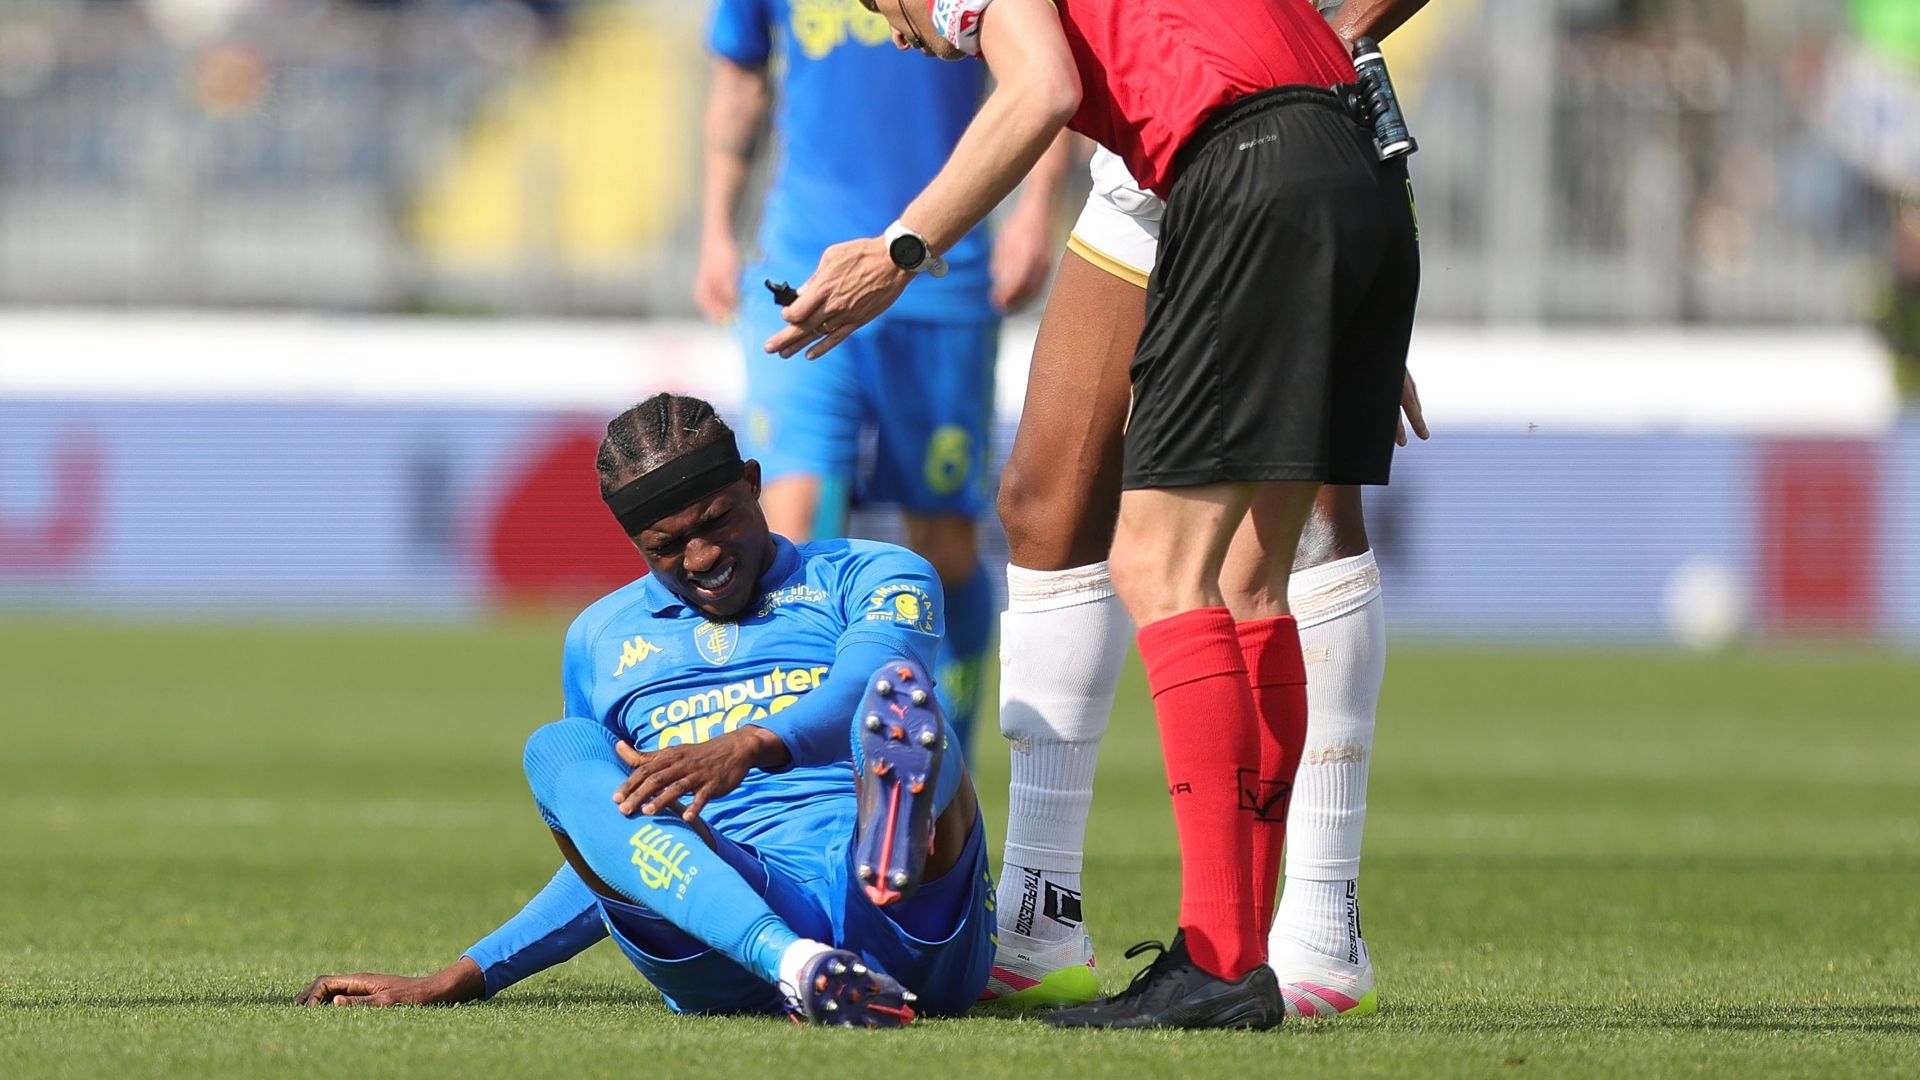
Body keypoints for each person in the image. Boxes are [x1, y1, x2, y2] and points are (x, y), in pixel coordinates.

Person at [765, 0, 1420, 1029]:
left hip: (1243, 155)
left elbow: (1044, 88)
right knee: (1241, 576)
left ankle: (1247, 947)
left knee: (1161, 566)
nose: (898, 33)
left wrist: (897, 248)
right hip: (1343, 145)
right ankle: (1213, 953)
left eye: (879, 6)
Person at [980, 0, 1433, 1020]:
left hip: (1277, 112)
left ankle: (1316, 921)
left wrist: (1338, 36)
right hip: (1148, 148)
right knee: (1045, 500)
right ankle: (1039, 914)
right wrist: (1035, 190)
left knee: (1300, 528)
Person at [295, 394, 994, 1027]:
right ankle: (800, 965)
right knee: (559, 751)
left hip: (911, 911)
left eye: (718, 519)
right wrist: (472, 970)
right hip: (726, 924)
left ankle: (884, 850)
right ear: (634, 544)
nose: (703, 556)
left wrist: (748, 745)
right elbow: (620, 840)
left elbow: (872, 676)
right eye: (666, 546)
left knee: (898, 696)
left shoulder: (869, 572)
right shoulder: (601, 639)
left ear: (753, 484)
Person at [694, 0, 1070, 755]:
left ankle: (939, 764)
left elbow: (1040, 64)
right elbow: (741, 82)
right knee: (792, 528)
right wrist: (715, 230)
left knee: (944, 547)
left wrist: (1036, 209)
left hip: (941, 268)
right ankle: (812, 769)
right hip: (804, 260)